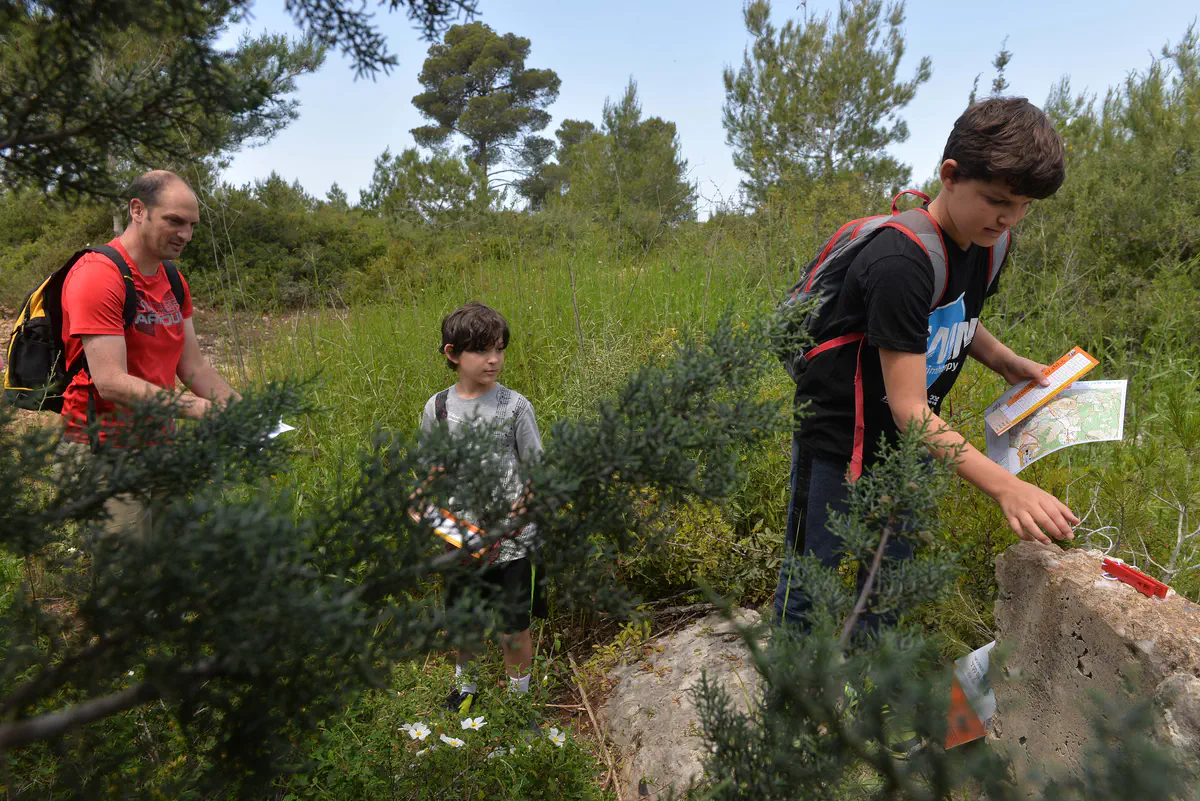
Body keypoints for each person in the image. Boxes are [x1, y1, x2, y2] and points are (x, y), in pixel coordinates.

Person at [775, 97, 1079, 628]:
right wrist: (1006, 486)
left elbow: (951, 314)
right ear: (951, 175)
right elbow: (910, 408)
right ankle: (790, 687)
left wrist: (1005, 361)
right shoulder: (901, 261)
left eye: (1025, 204)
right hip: (838, 436)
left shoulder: (990, 243)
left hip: (910, 446)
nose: (1009, 216)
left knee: (890, 577)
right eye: (996, 199)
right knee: (810, 573)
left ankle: (869, 688)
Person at [58, 170, 240, 537]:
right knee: (125, 578)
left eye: (191, 225)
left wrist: (242, 408)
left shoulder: (172, 279)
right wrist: (198, 409)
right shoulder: (98, 275)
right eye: (174, 221)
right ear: (138, 210)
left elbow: (193, 367)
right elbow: (110, 382)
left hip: (160, 442)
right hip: (105, 449)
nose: (185, 235)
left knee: (164, 567)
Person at [419, 301, 546, 715]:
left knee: (514, 627)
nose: (494, 359)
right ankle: (465, 689)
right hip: (459, 536)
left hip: (511, 540)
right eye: (481, 350)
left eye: (500, 349)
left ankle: (518, 703)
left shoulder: (515, 407)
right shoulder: (437, 408)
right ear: (452, 354)